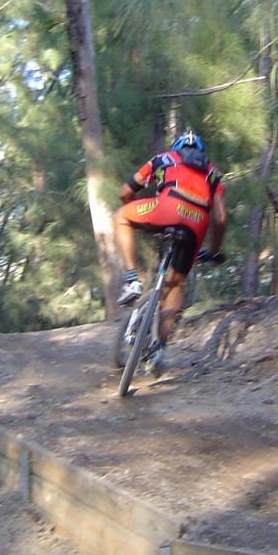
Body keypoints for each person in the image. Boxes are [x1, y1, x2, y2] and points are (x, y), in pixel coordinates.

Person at [113, 130, 227, 373]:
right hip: (197, 222)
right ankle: (158, 351)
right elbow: (220, 218)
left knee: (121, 217)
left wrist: (135, 211)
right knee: (175, 285)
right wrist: (213, 251)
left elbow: (125, 192)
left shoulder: (163, 158)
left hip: (167, 207)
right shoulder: (212, 172)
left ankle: (132, 280)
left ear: (176, 147)